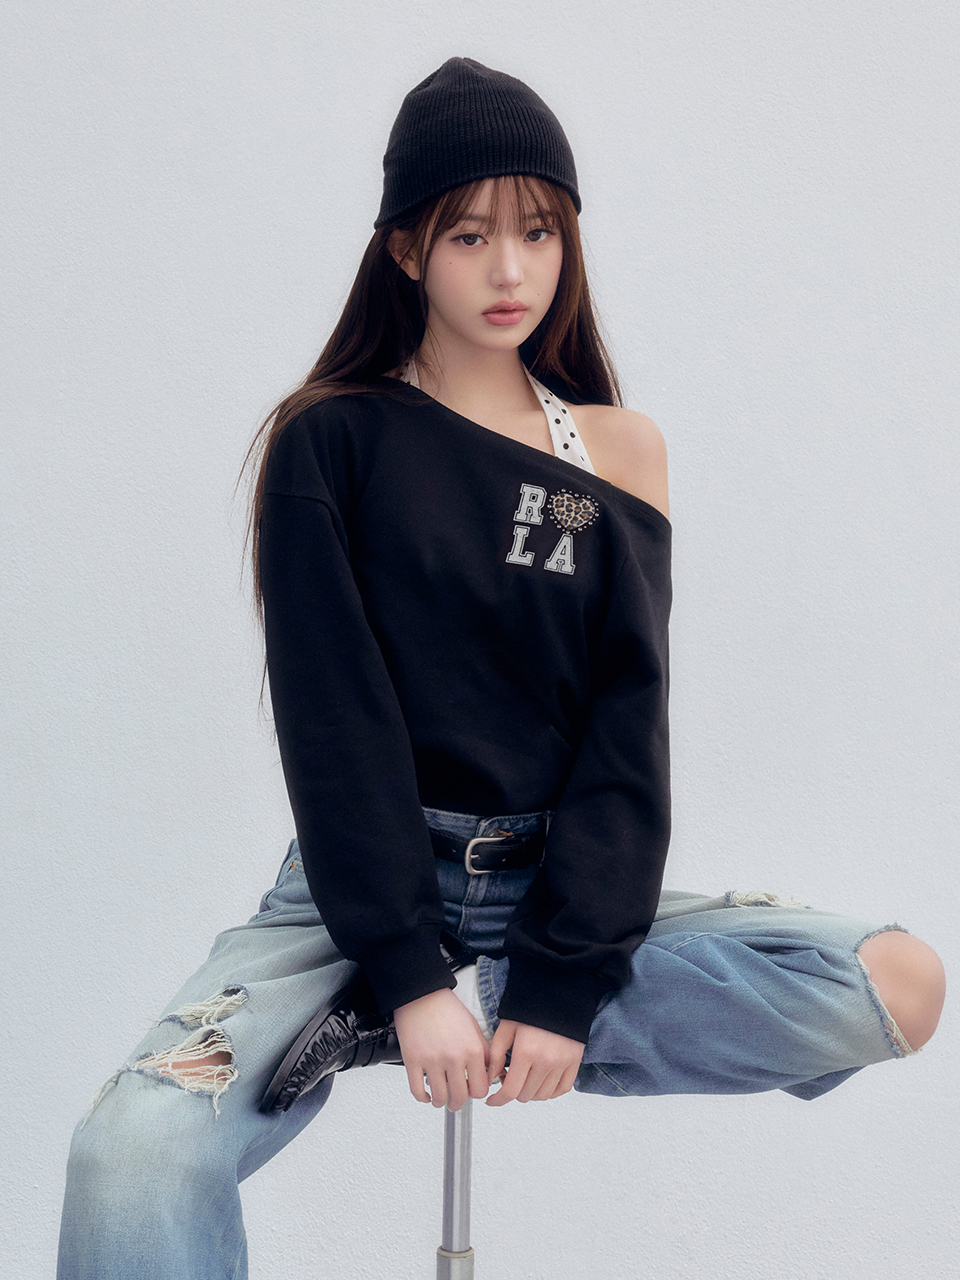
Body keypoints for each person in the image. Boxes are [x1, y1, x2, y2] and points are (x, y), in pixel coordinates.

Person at [57, 57, 945, 1280]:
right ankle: (392, 1003)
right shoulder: (332, 438)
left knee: (894, 981)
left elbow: (625, 729)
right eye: (469, 235)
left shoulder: (617, 454)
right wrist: (408, 966)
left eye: (539, 231)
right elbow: (335, 721)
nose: (511, 269)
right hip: (358, 890)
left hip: (554, 891)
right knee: (129, 1154)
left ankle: (476, 1010)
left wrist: (561, 985)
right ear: (406, 249)